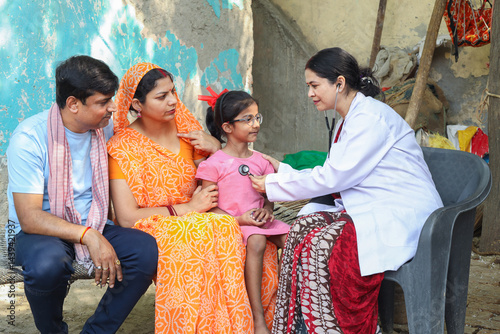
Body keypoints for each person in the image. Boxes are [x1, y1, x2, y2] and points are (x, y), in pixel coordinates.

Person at [250, 47, 444, 334]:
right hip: (373, 205)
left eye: (314, 86)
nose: (310, 94)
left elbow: (335, 177)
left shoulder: (369, 119)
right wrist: (282, 171)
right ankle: (299, 328)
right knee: (300, 230)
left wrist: (273, 184)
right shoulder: (350, 118)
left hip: (401, 212)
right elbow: (336, 171)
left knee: (322, 246)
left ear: (339, 83)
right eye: (308, 87)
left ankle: (343, 327)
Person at [107, 62, 278, 333]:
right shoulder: (122, 147)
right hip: (157, 223)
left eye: (173, 92)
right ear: (138, 105)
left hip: (208, 214)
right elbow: (127, 218)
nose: (173, 101)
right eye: (162, 97)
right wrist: (187, 208)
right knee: (214, 230)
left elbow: (221, 177)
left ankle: (254, 323)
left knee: (255, 240)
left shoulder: (188, 132)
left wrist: (218, 148)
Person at [6, 55, 158, 334]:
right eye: (103, 102)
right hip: (39, 232)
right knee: (47, 266)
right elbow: (29, 218)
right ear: (73, 104)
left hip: (95, 220)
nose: (113, 108)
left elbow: (159, 127)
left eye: (111, 99)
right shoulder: (30, 138)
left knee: (146, 251)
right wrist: (89, 235)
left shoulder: (105, 128)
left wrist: (211, 142)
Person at [196, 90, 290, 334]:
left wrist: (268, 211)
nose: (255, 124)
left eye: (257, 117)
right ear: (227, 127)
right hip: (231, 224)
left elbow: (268, 197)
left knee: (296, 239)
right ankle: (258, 319)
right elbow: (208, 206)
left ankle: (293, 308)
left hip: (261, 222)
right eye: (247, 119)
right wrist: (240, 219)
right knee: (257, 240)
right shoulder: (214, 164)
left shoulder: (261, 160)